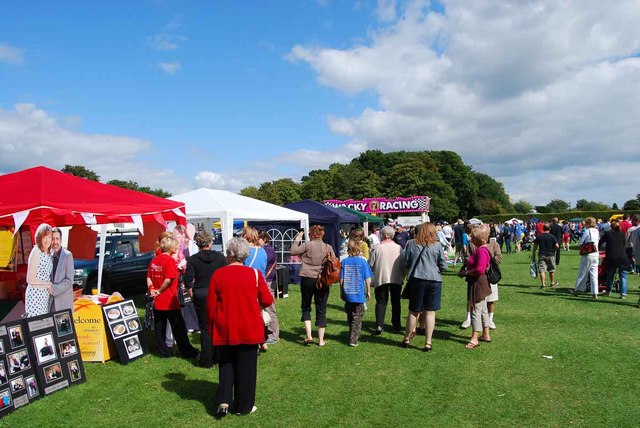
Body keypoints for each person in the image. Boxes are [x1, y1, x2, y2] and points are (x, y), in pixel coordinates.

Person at [208, 237, 273, 416]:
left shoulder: (218, 275)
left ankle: (224, 401)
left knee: (226, 365)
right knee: (247, 370)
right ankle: (243, 406)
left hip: (225, 328)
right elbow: (267, 300)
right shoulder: (254, 274)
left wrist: (210, 327)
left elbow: (211, 306)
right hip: (249, 328)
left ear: (230, 254)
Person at [147, 236, 198, 358]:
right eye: (176, 245)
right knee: (178, 328)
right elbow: (168, 280)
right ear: (170, 247)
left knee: (160, 327)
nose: (177, 247)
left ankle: (162, 350)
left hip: (158, 300)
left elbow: (148, 276)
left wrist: (152, 289)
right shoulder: (169, 261)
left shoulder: (154, 260)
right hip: (169, 299)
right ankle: (186, 351)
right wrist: (159, 291)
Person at [183, 231, 226, 368]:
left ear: (197, 244)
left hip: (201, 294)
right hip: (217, 293)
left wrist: (192, 296)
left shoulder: (192, 259)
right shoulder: (220, 258)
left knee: (205, 328)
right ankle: (219, 357)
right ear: (210, 242)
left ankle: (207, 360)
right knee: (218, 325)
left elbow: (188, 281)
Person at [401, 223, 446, 352]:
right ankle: (428, 342)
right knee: (431, 311)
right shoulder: (437, 245)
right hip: (434, 280)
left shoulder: (411, 243)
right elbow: (443, 264)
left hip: (417, 279)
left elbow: (406, 262)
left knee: (413, 310)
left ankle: (407, 338)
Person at [290, 225, 335, 347]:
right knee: (321, 308)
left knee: (306, 306)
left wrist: (298, 238)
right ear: (321, 234)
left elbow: (293, 251)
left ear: (311, 234)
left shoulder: (307, 245)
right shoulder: (328, 247)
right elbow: (334, 262)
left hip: (307, 278)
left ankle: (309, 336)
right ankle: (321, 340)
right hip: (322, 281)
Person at [458, 224, 492, 349]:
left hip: (478, 283)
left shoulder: (481, 251)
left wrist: (466, 272)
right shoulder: (482, 249)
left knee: (475, 310)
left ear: (478, 239)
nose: (470, 238)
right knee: (482, 309)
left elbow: (480, 269)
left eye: (472, 236)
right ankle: (486, 334)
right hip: (480, 282)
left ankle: (474, 338)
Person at [368, 225, 404, 334]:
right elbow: (403, 264)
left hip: (381, 277)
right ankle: (396, 324)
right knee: (396, 301)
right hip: (396, 277)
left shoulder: (377, 248)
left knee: (381, 301)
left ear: (383, 235)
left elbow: (371, 264)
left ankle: (379, 325)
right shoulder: (399, 248)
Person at [340, 240, 372, 347]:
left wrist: (341, 291)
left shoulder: (344, 262)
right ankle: (353, 339)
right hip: (358, 293)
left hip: (348, 292)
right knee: (357, 317)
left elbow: (341, 279)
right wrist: (368, 290)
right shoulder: (363, 262)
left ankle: (353, 333)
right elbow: (367, 278)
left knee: (350, 315)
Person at [25, 223, 54, 317]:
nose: (47, 240)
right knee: (35, 325)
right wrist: (48, 284)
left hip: (44, 296)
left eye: (49, 237)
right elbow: (30, 279)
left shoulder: (49, 253)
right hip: (35, 295)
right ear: (39, 238)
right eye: (44, 237)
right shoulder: (36, 251)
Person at [258, 230, 280, 347]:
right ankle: (267, 332)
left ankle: (274, 335)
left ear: (264, 239)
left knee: (269, 308)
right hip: (267, 281)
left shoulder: (267, 251)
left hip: (267, 282)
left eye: (259, 239)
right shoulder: (266, 250)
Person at [571, 217, 601, 299]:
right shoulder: (597, 231)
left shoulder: (587, 231)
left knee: (582, 273)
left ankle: (577, 289)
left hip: (588, 254)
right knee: (594, 274)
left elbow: (581, 242)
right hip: (596, 254)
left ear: (588, 223)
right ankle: (595, 293)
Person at [600, 220, 630, 299]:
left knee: (610, 275)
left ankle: (608, 291)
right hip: (622, 256)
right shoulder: (622, 234)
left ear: (611, 227)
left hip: (612, 257)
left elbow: (600, 242)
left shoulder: (607, 234)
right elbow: (624, 244)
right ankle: (623, 293)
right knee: (623, 276)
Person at [50, 227, 75, 312]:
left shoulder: (68, 255)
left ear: (61, 240)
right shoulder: (49, 256)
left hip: (64, 304)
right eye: (53, 239)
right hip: (51, 303)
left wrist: (54, 289)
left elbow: (69, 280)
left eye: (57, 239)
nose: (55, 242)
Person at [532, 223, 559, 289]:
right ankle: (552, 283)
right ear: (550, 229)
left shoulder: (539, 236)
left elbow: (535, 246)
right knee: (551, 269)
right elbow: (557, 246)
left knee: (542, 270)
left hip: (541, 254)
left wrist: (533, 253)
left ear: (543, 228)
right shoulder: (552, 236)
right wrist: (554, 250)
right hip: (550, 254)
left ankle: (543, 284)